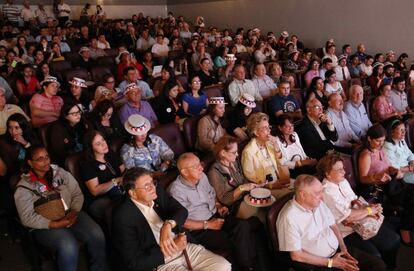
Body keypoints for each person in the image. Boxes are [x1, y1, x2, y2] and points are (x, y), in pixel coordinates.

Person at [111, 167, 231, 271]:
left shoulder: (156, 191)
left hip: (185, 247)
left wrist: (168, 225)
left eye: (153, 182)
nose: (152, 188)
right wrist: (167, 250)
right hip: (161, 261)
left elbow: (181, 210)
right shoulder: (122, 217)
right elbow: (133, 262)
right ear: (133, 193)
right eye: (147, 186)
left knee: (224, 266)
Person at [14, 145, 107, 271]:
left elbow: (77, 194)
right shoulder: (24, 187)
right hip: (45, 225)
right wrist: (53, 224)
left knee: (96, 234)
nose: (46, 161)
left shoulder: (60, 173)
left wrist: (74, 212)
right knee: (68, 245)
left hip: (70, 214)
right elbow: (27, 217)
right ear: (30, 162)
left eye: (47, 157)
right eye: (40, 159)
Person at [170, 152, 267, 271]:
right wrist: (208, 224)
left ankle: (250, 265)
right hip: (199, 229)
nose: (201, 167)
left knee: (243, 226)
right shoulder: (176, 191)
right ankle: (248, 266)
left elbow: (212, 193)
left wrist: (218, 205)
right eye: (195, 166)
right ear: (185, 172)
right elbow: (182, 221)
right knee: (241, 239)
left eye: (200, 163)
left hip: (216, 216)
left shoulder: (202, 176)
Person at [276, 174, 386, 271]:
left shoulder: (317, 203)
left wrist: (343, 247)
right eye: (318, 193)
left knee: (378, 265)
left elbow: (332, 224)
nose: (322, 196)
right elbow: (297, 256)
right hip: (320, 263)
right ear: (303, 195)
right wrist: (331, 263)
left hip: (338, 251)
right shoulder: (289, 217)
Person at [319, 153, 400, 269]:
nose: (344, 172)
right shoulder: (327, 192)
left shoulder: (342, 181)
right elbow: (348, 217)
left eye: (343, 168)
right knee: (376, 257)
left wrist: (371, 207)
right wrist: (369, 210)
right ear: (328, 174)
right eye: (339, 170)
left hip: (361, 223)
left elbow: (354, 200)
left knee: (394, 241)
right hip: (346, 233)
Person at [359, 124, 414, 246]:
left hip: (392, 182)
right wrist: (376, 177)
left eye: (383, 141)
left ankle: (408, 222)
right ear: (369, 139)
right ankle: (405, 228)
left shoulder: (380, 151)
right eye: (378, 141)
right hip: (383, 188)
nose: (380, 144)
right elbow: (362, 179)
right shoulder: (366, 155)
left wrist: (394, 170)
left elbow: (387, 166)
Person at [241, 112, 291, 198]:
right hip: (265, 189)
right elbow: (251, 179)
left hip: (281, 181)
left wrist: (276, 147)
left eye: (269, 127)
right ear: (256, 132)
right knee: (290, 197)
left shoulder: (270, 144)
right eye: (265, 128)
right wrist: (271, 185)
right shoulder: (248, 152)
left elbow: (283, 163)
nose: (269, 131)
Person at [80, 130, 125, 220]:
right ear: (91, 148)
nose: (103, 144)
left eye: (103, 140)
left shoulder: (110, 154)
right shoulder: (87, 165)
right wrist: (116, 181)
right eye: (98, 143)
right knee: (124, 207)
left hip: (118, 191)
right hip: (99, 199)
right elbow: (95, 191)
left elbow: (124, 170)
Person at [384, 120, 414, 184]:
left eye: (404, 129)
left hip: (409, 167)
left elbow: (410, 153)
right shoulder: (387, 145)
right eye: (401, 130)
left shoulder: (401, 140)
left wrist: (412, 163)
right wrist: (410, 168)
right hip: (401, 174)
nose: (404, 132)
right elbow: (393, 166)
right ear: (392, 132)